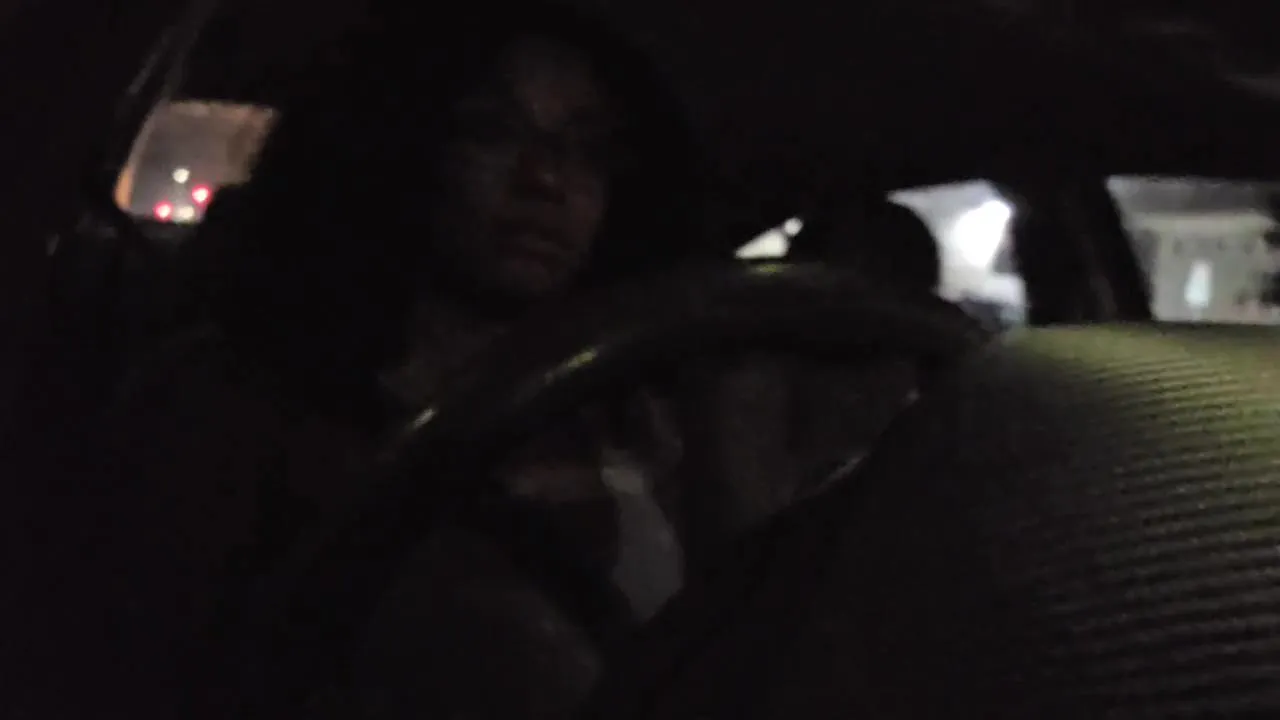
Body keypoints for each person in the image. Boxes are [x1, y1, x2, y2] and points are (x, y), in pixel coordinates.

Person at [64, 2, 792, 718]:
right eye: (491, 131)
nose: (546, 179)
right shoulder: (233, 401)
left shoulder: (645, 418)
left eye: (587, 149)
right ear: (401, 144)